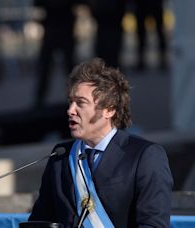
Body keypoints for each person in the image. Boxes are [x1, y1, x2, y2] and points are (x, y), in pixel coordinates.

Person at [28, 58, 173, 227]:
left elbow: (153, 224)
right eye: (70, 102)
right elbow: (41, 220)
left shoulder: (145, 156)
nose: (70, 110)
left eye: (80, 103)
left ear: (109, 109)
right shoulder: (61, 155)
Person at [34, 0, 77, 108]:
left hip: (56, 27)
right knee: (65, 67)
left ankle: (40, 98)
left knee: (48, 66)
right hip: (60, 27)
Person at [133, 0, 168, 70]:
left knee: (159, 32)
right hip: (144, 4)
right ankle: (141, 60)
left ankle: (163, 60)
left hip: (151, 4)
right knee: (141, 34)